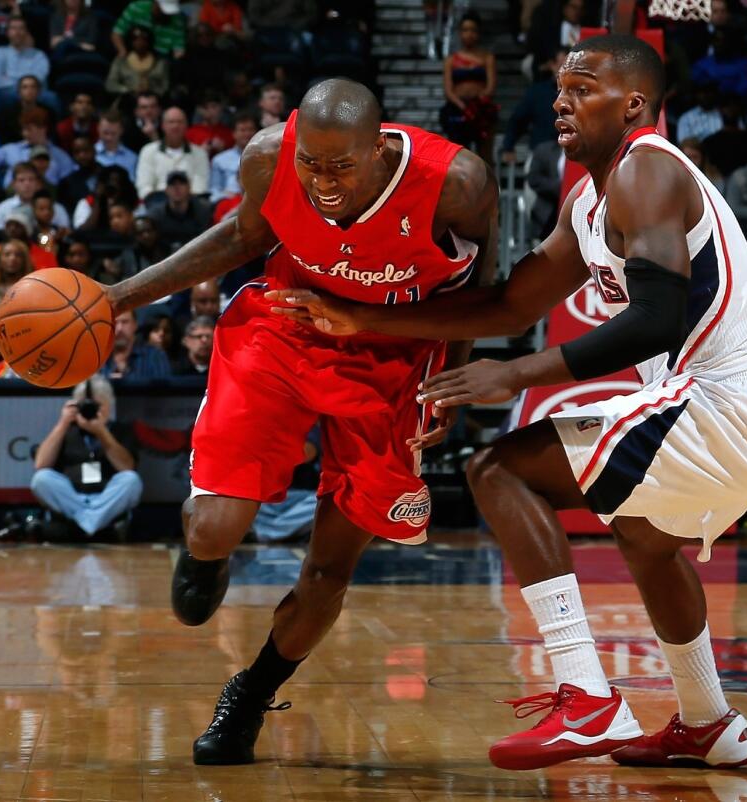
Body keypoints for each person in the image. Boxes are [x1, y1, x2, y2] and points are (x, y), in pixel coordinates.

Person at [272, 39, 747, 770]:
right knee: (645, 537)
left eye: (583, 88)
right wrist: (365, 318)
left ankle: (586, 697)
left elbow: (655, 318)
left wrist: (519, 374)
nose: (561, 100)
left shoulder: (647, 167)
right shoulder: (591, 202)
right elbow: (506, 304)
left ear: (633, 105)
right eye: (559, 88)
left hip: (737, 400)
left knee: (500, 469)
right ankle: (708, 723)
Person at [99, 77, 496, 766]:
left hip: (395, 360)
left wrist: (450, 380)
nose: (323, 182)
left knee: (329, 571)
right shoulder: (266, 157)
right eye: (310, 163)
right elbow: (238, 237)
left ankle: (250, 694)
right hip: (284, 327)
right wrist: (118, 298)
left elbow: (479, 287)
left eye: (341, 165)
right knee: (216, 524)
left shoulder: (456, 184)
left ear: (378, 146)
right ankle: (203, 555)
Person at [30, 375, 144, 537]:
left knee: (131, 480)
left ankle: (79, 528)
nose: (90, 410)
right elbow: (41, 464)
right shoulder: (67, 430)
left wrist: (101, 432)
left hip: (106, 499)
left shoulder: (120, 430)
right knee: (41, 479)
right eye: (85, 405)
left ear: (109, 406)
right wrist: (63, 423)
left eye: (97, 405)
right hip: (72, 498)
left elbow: (127, 467)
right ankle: (94, 525)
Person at [440, 12, 498, 164]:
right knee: (458, 157)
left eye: (473, 30)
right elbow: (448, 89)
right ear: (460, 33)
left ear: (478, 33)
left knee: (485, 157)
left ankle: (488, 186)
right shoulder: (451, 60)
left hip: (481, 110)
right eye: (465, 30)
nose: (469, 34)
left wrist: (477, 104)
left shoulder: (487, 58)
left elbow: (491, 86)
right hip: (457, 111)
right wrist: (462, 106)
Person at [0, 108, 76, 189]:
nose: (25, 134)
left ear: (43, 128)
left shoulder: (60, 156)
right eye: (23, 129)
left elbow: (72, 181)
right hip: (12, 203)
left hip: (46, 203)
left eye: (29, 129)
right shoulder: (11, 150)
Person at [135, 107, 210, 198]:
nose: (175, 126)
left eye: (180, 122)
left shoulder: (199, 154)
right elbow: (144, 186)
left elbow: (200, 187)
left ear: (186, 126)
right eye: (171, 122)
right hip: (157, 205)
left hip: (190, 205)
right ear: (163, 126)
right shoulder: (148, 151)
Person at [0, 15, 51, 114]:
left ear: (26, 32)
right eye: (13, 28)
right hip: (8, 93)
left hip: (34, 92)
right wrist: (21, 86)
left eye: (21, 28)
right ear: (7, 32)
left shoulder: (38, 55)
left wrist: (11, 80)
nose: (17, 32)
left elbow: (39, 78)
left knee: (51, 98)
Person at [147, 171, 212, 252]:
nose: (177, 188)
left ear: (189, 188)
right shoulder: (156, 215)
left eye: (181, 183)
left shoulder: (203, 211)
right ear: (166, 190)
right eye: (172, 184)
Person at [101, 310, 172, 380]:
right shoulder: (99, 358)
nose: (119, 328)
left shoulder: (155, 356)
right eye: (114, 323)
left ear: (135, 324)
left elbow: (163, 390)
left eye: (125, 322)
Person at [106, 26, 170, 99]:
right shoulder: (120, 61)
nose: (140, 43)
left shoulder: (160, 62)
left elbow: (165, 87)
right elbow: (110, 85)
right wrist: (128, 90)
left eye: (144, 40)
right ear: (130, 42)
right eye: (136, 39)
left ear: (149, 42)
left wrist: (150, 92)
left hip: (154, 101)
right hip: (126, 100)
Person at [112, 0, 186, 60]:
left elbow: (178, 48)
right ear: (155, 2)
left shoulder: (177, 20)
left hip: (159, 59)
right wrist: (122, 51)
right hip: (131, 54)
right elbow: (117, 33)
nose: (166, 14)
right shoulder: (136, 7)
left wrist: (177, 59)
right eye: (162, 10)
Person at [210, 113, 258, 201]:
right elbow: (214, 192)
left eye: (250, 129)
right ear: (234, 134)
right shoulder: (219, 160)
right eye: (243, 130)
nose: (247, 134)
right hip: (229, 203)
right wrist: (226, 196)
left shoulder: (264, 157)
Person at [94, 111, 138, 177]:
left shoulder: (132, 158)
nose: (109, 138)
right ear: (98, 128)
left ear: (121, 131)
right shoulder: (89, 154)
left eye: (113, 133)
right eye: (105, 133)